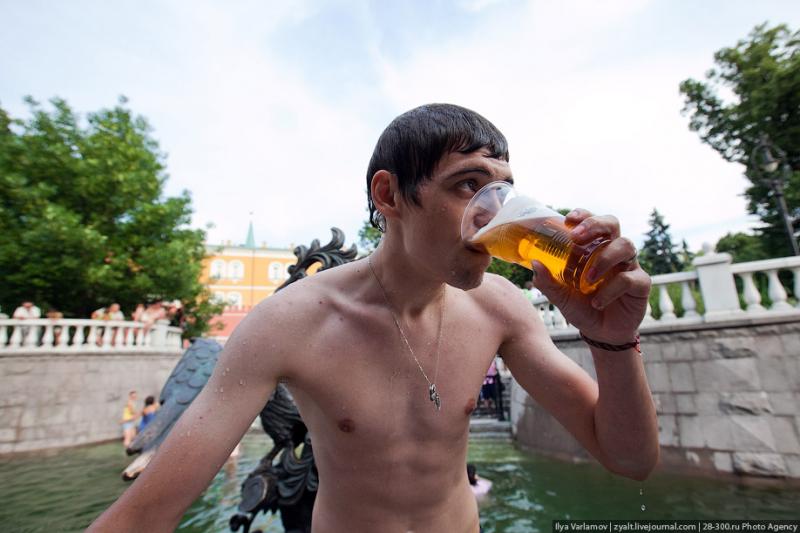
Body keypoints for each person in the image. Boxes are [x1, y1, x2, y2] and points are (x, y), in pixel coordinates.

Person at [89, 104, 658, 532]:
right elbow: (147, 514)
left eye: (502, 190)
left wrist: (613, 341)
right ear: (389, 194)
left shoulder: (498, 307)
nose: (493, 214)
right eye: (468, 185)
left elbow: (631, 460)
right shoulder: (288, 324)